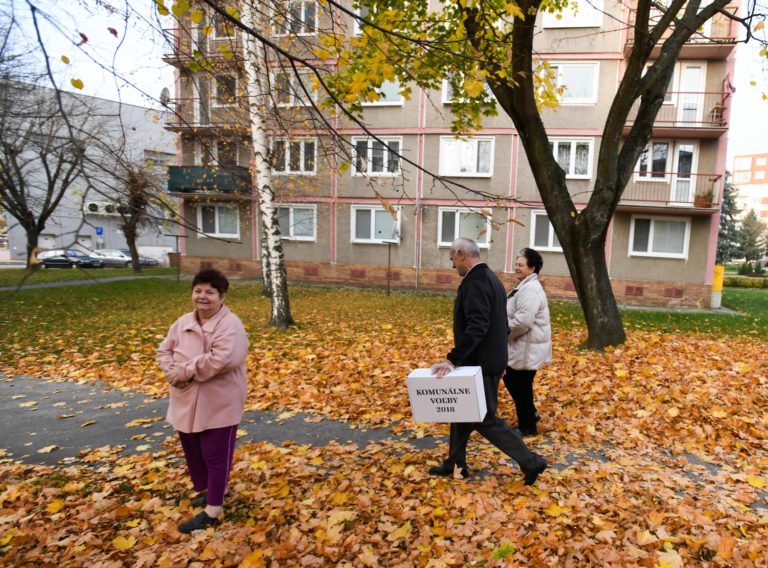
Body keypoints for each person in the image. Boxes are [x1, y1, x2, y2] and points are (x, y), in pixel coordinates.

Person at [429, 238, 547, 485]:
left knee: (483, 418)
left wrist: (452, 359)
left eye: (453, 260)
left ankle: (531, 461)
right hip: (487, 361)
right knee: (462, 412)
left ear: (461, 254)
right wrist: (500, 357)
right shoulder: (491, 278)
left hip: (480, 364)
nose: (453, 266)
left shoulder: (476, 282)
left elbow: (478, 326)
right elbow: (501, 324)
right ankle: (456, 464)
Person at [157, 268, 249, 533]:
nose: (203, 297)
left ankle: (214, 509)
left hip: (218, 400)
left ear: (222, 296)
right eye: (198, 291)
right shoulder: (183, 321)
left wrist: (184, 371)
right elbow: (164, 350)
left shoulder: (230, 324)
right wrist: (170, 371)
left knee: (215, 453)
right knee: (194, 451)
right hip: (185, 398)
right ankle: (213, 491)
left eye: (210, 292)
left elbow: (223, 359)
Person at [504, 248, 552, 437]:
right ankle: (530, 415)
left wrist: (503, 332)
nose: (516, 267)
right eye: (516, 264)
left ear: (532, 268)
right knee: (515, 381)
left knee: (519, 384)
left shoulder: (530, 288)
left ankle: (527, 427)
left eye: (521, 265)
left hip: (526, 346)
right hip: (525, 345)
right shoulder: (525, 285)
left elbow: (523, 321)